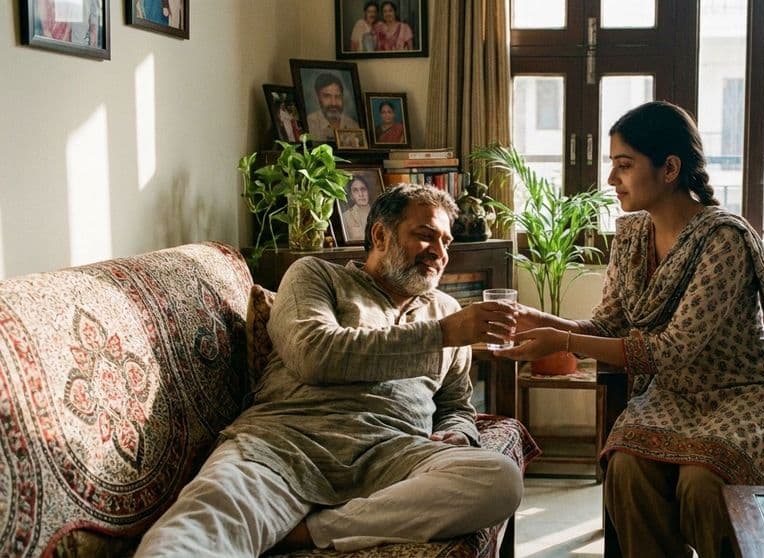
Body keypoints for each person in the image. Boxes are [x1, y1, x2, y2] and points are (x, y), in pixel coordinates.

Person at [494, 101, 764, 558]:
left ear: (670, 167)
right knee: (626, 469)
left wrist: (565, 342)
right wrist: (546, 322)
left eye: (624, 165)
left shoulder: (723, 240)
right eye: (612, 166)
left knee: (703, 481)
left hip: (744, 390)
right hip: (675, 395)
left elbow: (671, 349)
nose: (612, 179)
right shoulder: (632, 235)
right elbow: (608, 323)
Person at [135, 184, 524, 556]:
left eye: (446, 242)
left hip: (393, 454)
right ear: (380, 236)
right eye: (425, 236)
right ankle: (299, 520)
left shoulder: (447, 310)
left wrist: (456, 432)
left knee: (499, 480)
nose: (438, 252)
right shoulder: (317, 276)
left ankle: (311, 533)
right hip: (285, 446)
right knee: (187, 538)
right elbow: (313, 353)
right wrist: (441, 335)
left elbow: (455, 403)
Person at [306, 73, 360, 141]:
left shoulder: (353, 125)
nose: (333, 103)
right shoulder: (309, 124)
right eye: (327, 96)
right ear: (318, 98)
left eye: (338, 96)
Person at [341, 175, 373, 241]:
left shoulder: (380, 213)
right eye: (355, 190)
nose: (361, 194)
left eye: (363, 189)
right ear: (352, 196)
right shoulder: (345, 217)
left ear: (368, 192)